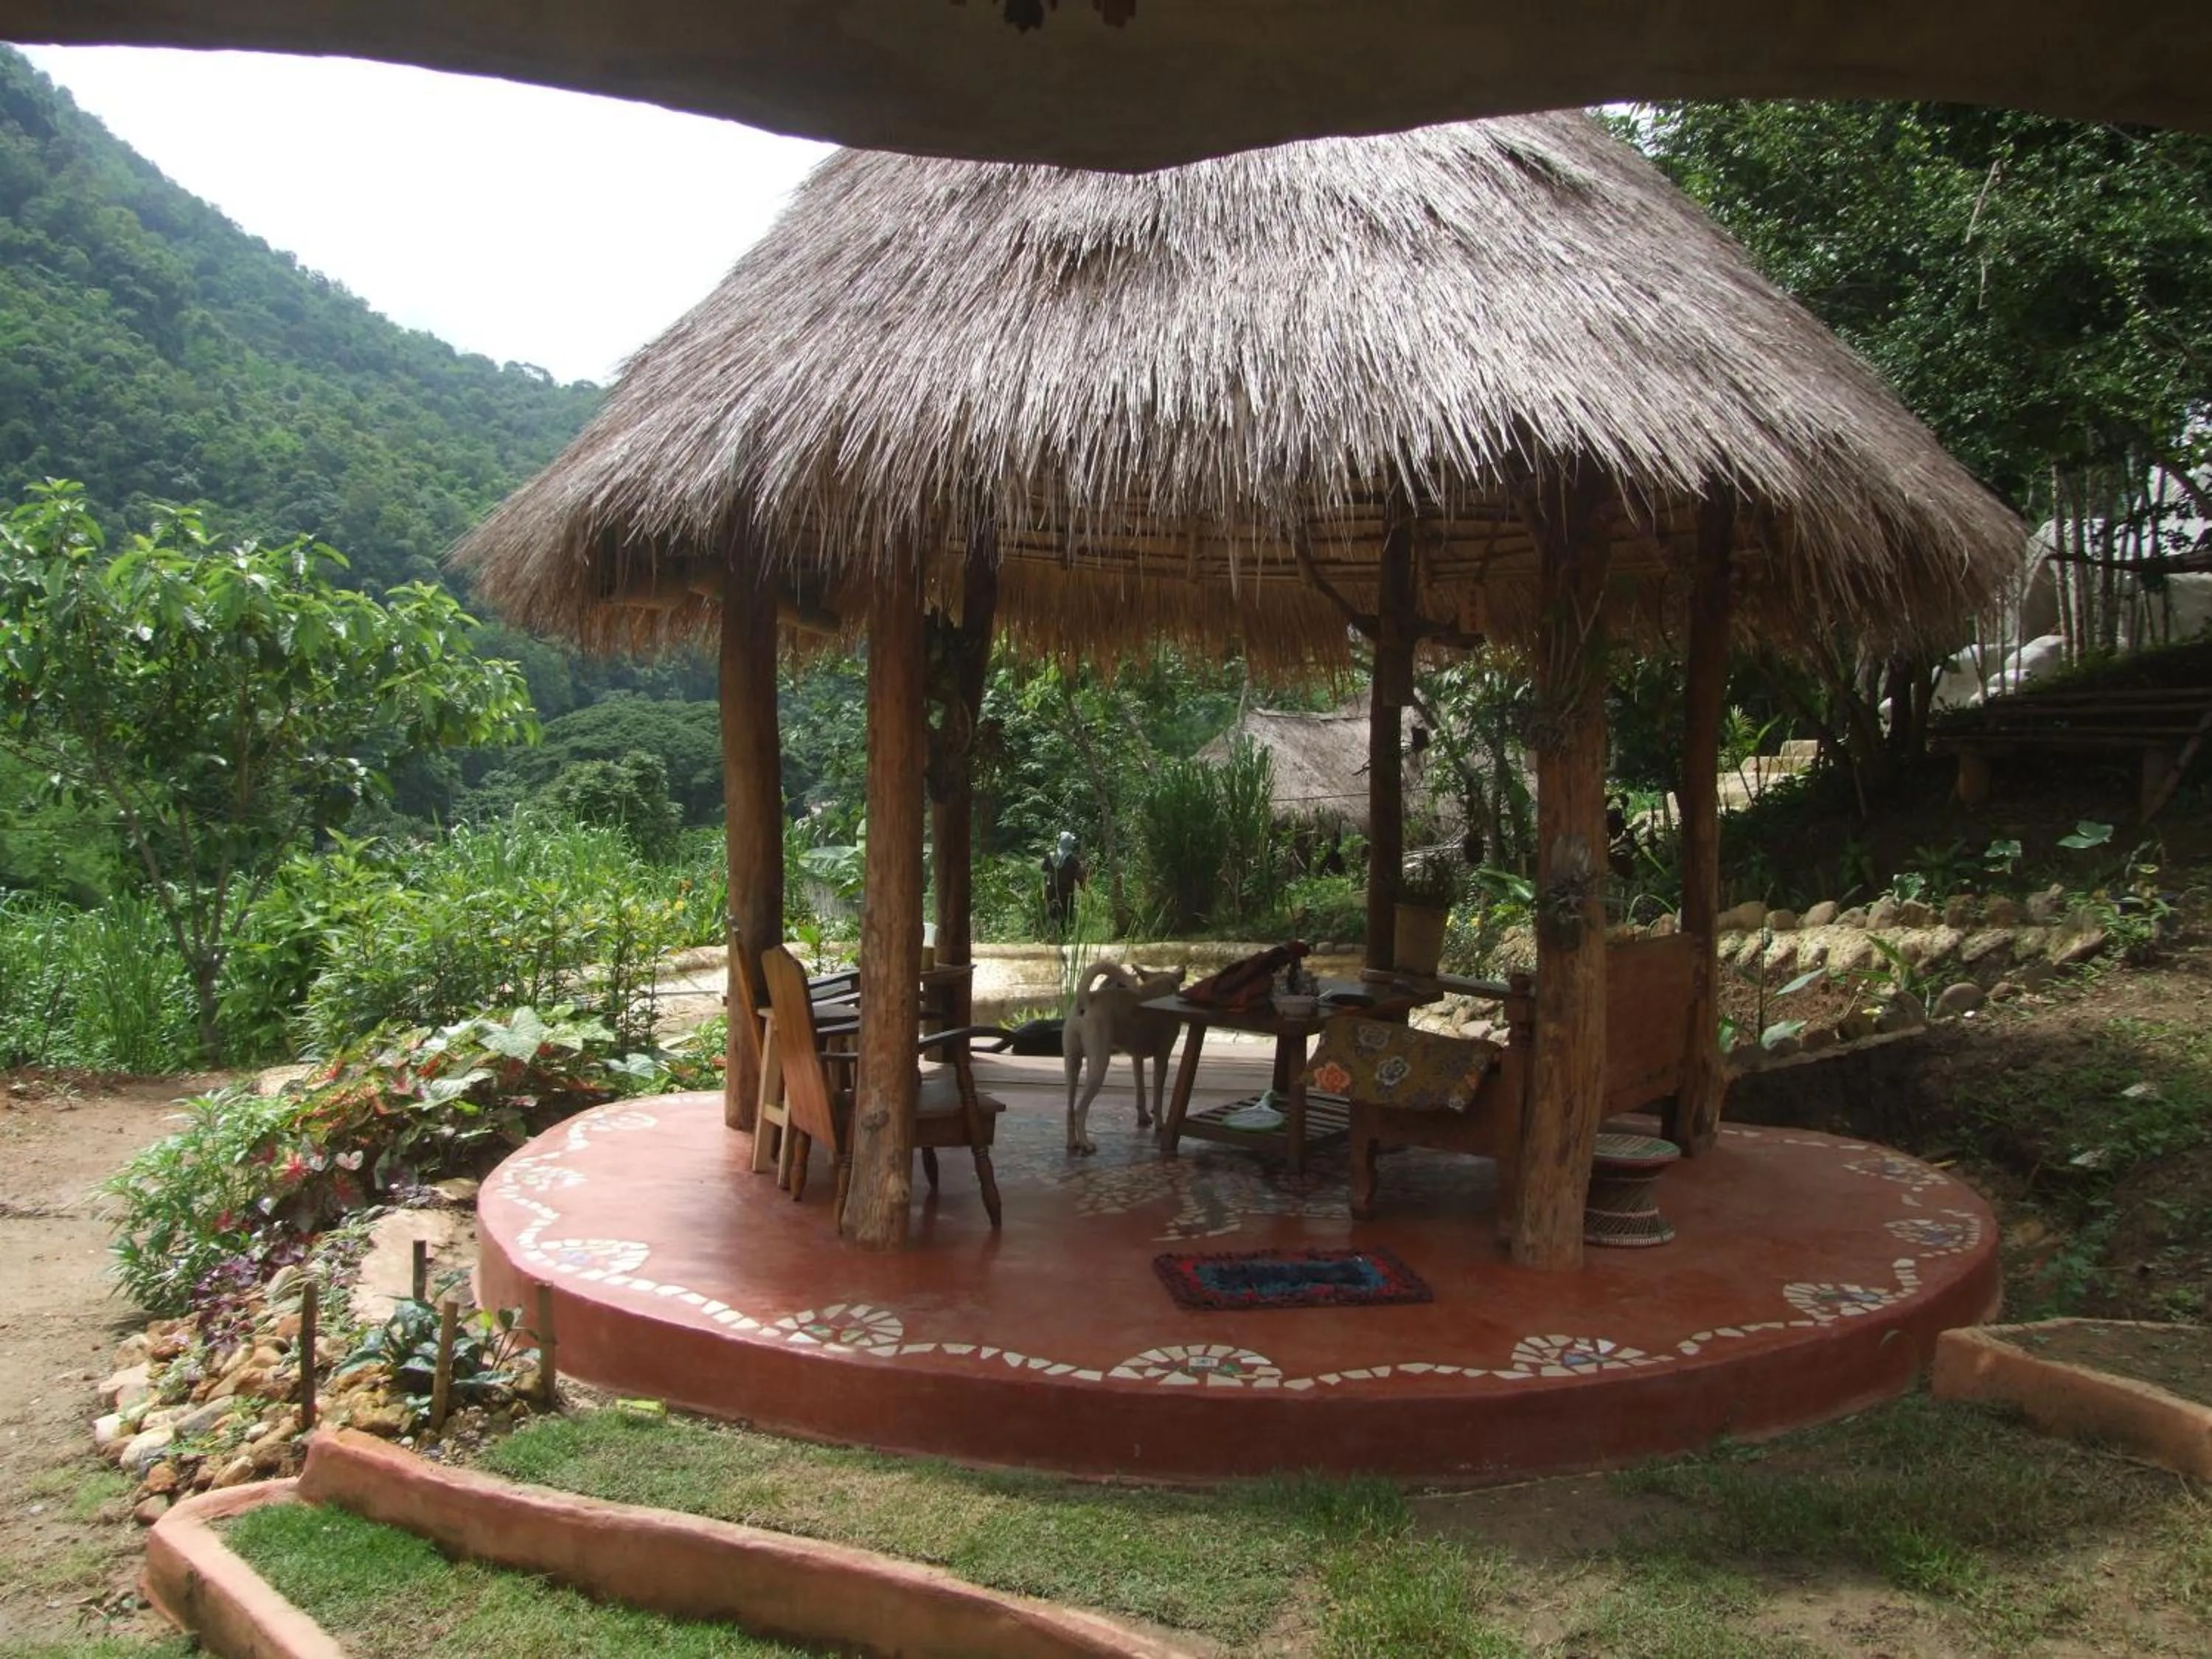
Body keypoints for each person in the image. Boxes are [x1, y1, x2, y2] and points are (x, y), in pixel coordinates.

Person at [1041, 830, 1087, 932]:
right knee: (1066, 916)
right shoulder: (1072, 859)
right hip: (1067, 893)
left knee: (1052, 914)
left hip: (1051, 891)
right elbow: (1080, 877)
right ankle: (1065, 938)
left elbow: (1044, 873)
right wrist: (1086, 890)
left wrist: (1045, 890)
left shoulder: (1050, 856)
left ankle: (1051, 936)